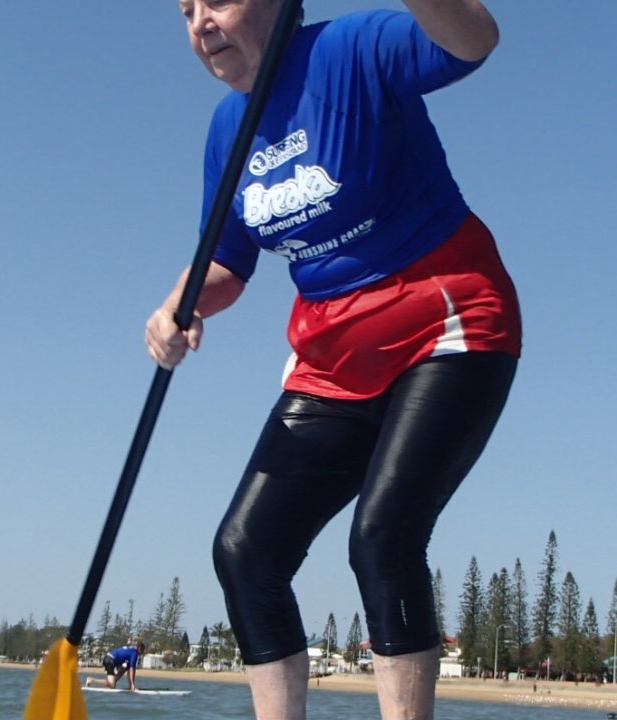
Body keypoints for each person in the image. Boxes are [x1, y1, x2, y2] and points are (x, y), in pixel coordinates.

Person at [146, 2, 520, 719]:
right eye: (184, 9)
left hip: (446, 320)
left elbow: (475, 40)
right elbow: (226, 261)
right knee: (246, 552)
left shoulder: (354, 48)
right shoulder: (229, 128)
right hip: (332, 356)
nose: (199, 23)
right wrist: (177, 305)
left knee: (382, 535)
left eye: (215, 1)